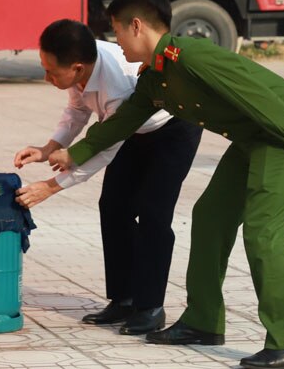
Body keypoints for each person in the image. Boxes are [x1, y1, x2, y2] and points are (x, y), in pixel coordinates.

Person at [48, 0, 284, 369]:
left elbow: (254, 95)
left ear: (136, 26)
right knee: (210, 216)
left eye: (116, 32)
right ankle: (203, 321)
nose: (115, 43)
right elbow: (122, 123)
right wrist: (72, 153)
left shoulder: (191, 56)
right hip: (252, 137)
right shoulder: (154, 77)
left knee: (263, 233)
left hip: (281, 132)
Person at [13, 19, 202, 335]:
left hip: (172, 130)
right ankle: (123, 299)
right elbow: (77, 110)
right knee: (113, 206)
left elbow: (103, 151)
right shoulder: (83, 64)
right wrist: (48, 148)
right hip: (128, 131)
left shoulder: (118, 86)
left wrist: (50, 187)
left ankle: (150, 306)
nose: (46, 78)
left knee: (153, 213)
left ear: (76, 68)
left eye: (51, 72)